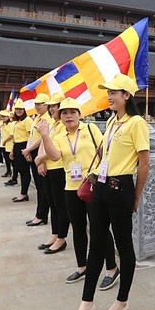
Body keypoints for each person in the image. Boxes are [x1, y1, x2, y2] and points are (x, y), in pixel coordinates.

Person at [67, 73, 149, 310]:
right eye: (108, 93)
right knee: (96, 244)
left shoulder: (137, 123)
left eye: (113, 92)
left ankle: (122, 301)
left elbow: (144, 163)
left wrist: (136, 196)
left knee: (124, 247)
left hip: (122, 187)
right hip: (101, 186)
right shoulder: (112, 122)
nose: (109, 97)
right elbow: (105, 153)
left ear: (126, 95)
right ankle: (86, 303)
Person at [40, 97, 120, 282]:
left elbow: (104, 152)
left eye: (72, 112)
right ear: (60, 116)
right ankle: (82, 266)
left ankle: (111, 268)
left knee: (100, 228)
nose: (69, 116)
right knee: (77, 228)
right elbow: (54, 157)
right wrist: (45, 135)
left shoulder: (91, 129)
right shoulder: (58, 136)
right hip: (71, 187)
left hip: (93, 185)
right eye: (65, 113)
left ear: (79, 114)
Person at [33, 94, 70, 249]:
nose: (51, 108)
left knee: (61, 205)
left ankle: (61, 238)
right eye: (50, 106)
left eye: (55, 105)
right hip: (48, 168)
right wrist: (41, 161)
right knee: (53, 204)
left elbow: (58, 150)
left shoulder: (63, 125)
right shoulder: (54, 124)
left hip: (59, 168)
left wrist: (39, 158)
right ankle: (55, 234)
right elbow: (44, 141)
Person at [24, 93, 55, 226]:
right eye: (35, 104)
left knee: (42, 187)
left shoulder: (47, 119)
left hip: (42, 151)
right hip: (35, 150)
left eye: (39, 104)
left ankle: (41, 215)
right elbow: (32, 136)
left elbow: (43, 138)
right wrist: (28, 150)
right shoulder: (38, 118)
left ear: (46, 105)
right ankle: (40, 214)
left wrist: (30, 149)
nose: (36, 106)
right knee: (39, 185)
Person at [10, 100, 33, 201]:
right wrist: (12, 151)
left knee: (25, 171)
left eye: (21, 109)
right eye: (17, 109)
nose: (18, 111)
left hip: (25, 146)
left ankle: (24, 193)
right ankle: (23, 192)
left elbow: (31, 136)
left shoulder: (27, 120)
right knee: (20, 170)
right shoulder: (17, 121)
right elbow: (15, 137)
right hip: (17, 146)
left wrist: (28, 150)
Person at [0, 112, 15, 179]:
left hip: (9, 145)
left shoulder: (10, 124)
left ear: (8, 117)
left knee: (12, 160)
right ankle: (8, 171)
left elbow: (11, 135)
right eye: (2, 117)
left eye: (4, 117)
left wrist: (5, 141)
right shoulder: (3, 124)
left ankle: (14, 175)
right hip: (3, 145)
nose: (3, 118)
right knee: (6, 159)